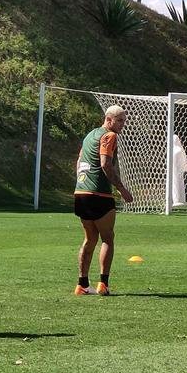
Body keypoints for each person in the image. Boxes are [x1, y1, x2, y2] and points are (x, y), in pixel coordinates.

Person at [73, 105, 133, 296]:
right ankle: (103, 284)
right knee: (107, 238)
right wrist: (122, 189)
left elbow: (79, 160)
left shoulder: (90, 134)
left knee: (90, 238)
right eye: (120, 120)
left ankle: (82, 284)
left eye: (124, 120)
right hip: (99, 194)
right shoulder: (109, 136)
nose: (123, 124)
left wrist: (81, 183)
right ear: (109, 119)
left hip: (81, 193)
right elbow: (105, 164)